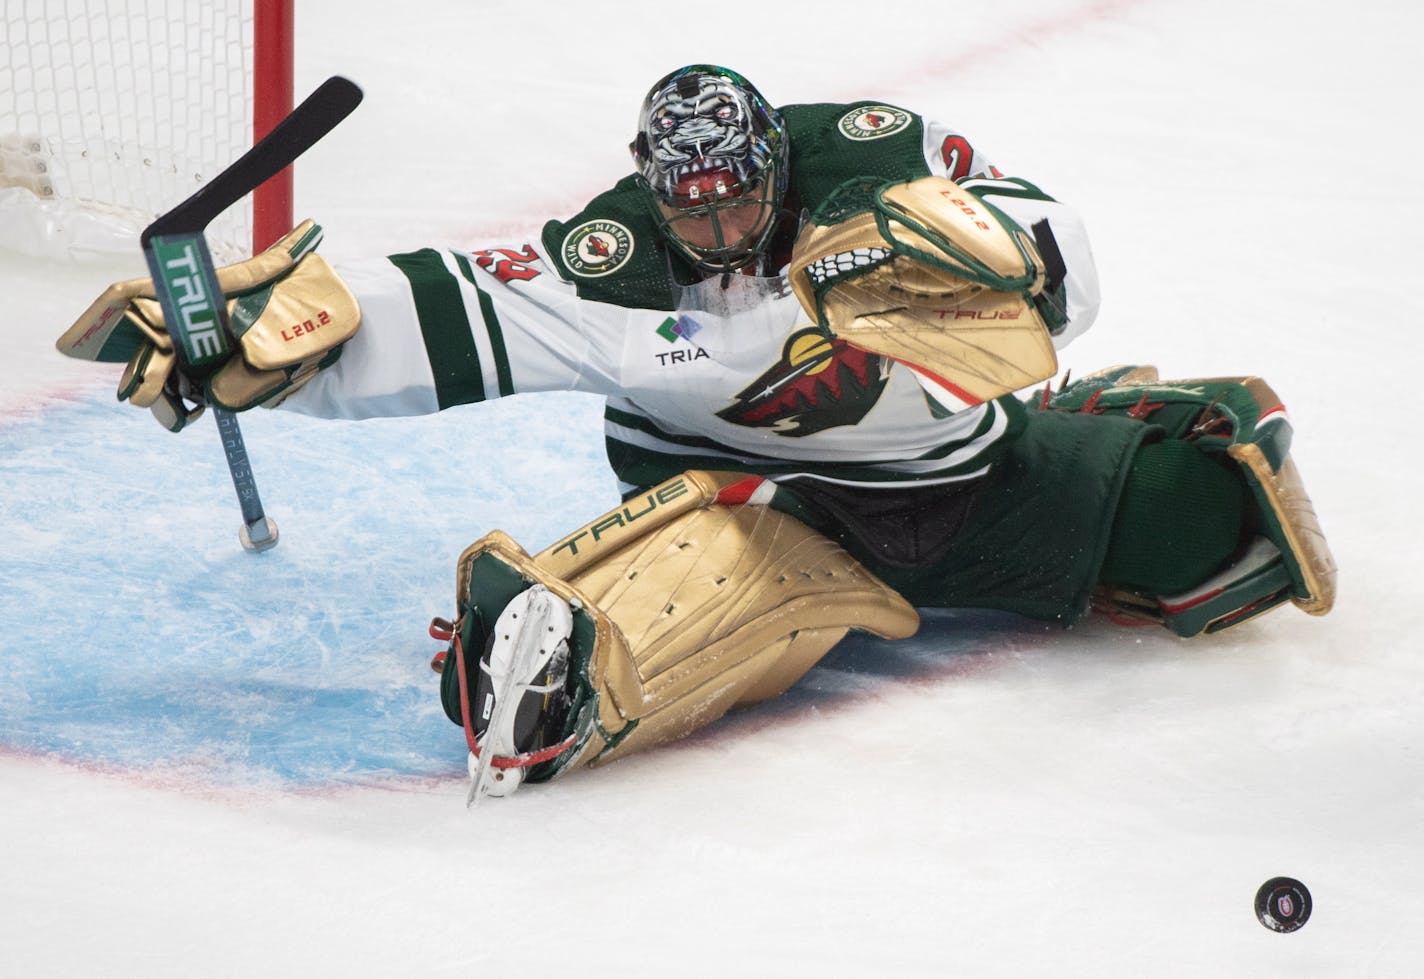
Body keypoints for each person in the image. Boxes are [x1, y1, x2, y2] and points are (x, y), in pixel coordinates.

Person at [58, 65, 1336, 801]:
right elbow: (455, 306)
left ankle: (1099, 436)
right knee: (545, 683)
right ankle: (604, 609)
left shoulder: (875, 168)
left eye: (738, 201)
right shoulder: (611, 262)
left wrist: (1008, 250)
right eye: (692, 206)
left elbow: (1045, 253)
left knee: (1220, 524)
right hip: (764, 514)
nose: (718, 230)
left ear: (776, 164)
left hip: (973, 479)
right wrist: (292, 341)